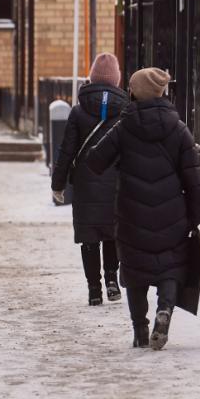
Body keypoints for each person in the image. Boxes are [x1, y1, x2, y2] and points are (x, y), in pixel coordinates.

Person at [86, 67, 200, 350]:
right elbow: (193, 176)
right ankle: (164, 311)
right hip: (171, 213)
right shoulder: (178, 128)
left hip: (131, 213)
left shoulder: (124, 126)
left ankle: (140, 331)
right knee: (170, 268)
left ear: (134, 93)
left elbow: (95, 161)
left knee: (135, 271)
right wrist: (196, 216)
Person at [51, 53, 129, 306]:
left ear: (92, 77)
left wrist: (58, 184)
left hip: (85, 183)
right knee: (112, 232)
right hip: (116, 183)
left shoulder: (78, 111)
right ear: (117, 79)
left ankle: (94, 289)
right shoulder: (126, 110)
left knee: (89, 236)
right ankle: (111, 280)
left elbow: (67, 151)